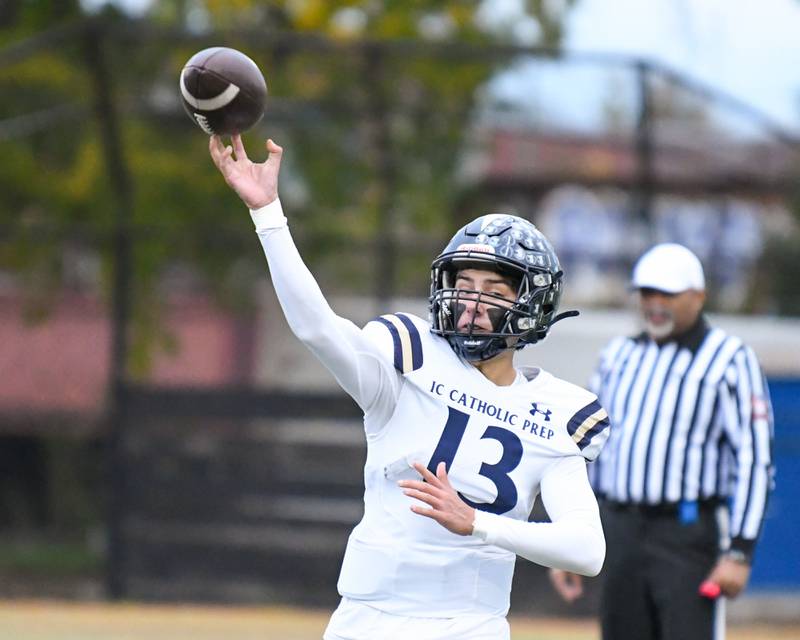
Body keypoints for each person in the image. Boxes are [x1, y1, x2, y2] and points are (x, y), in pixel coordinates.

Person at [209, 134, 610, 640]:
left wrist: (479, 523)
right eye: (463, 285)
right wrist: (268, 214)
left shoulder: (557, 411)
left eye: (493, 291)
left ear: (532, 305)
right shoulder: (407, 359)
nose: (471, 303)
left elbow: (586, 549)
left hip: (470, 626)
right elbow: (316, 328)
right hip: (368, 619)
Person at [549, 243, 775, 640]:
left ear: (698, 296)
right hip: (618, 527)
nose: (654, 304)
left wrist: (740, 550)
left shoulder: (729, 358)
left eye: (667, 294)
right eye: (647, 293)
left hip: (686, 533)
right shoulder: (618, 356)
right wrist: (571, 532)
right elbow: (586, 451)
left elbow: (754, 460)